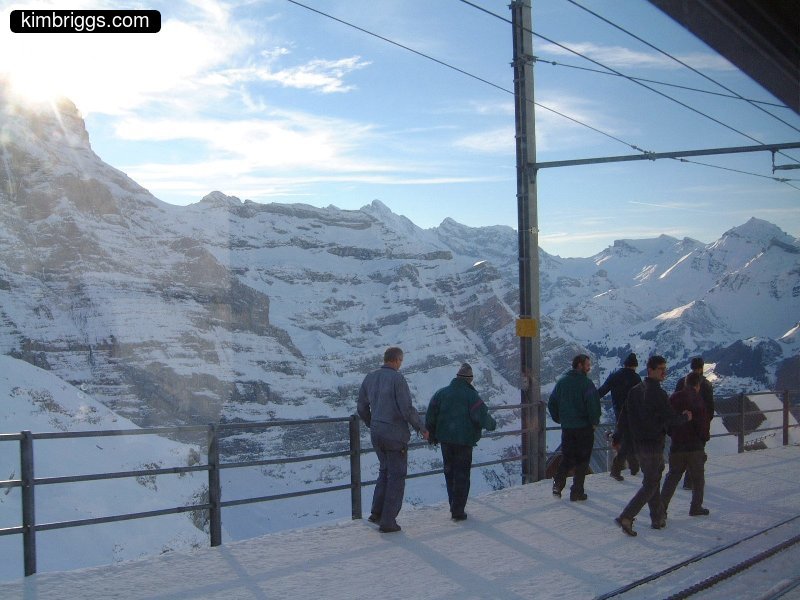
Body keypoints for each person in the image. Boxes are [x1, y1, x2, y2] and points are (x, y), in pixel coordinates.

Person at [615, 355, 692, 537]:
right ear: (650, 370)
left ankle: (658, 518)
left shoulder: (634, 391)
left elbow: (624, 417)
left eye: (665, 368)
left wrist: (618, 437)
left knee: (653, 478)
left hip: (638, 444)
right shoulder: (658, 393)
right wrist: (685, 417)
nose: (664, 372)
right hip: (653, 444)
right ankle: (627, 516)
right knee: (651, 483)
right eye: (660, 369)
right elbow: (670, 419)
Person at [357, 347, 428, 533]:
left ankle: (377, 513)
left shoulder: (370, 377)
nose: (400, 365)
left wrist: (371, 423)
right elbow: (407, 409)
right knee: (396, 476)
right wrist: (422, 428)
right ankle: (388, 521)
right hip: (394, 435)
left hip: (376, 433)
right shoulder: (398, 379)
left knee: (384, 470)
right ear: (396, 360)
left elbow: (361, 407)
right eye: (401, 361)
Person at [425, 363, 497, 521]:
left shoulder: (441, 393)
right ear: (469, 379)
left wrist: (432, 434)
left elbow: (430, 415)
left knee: (449, 473)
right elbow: (482, 417)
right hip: (464, 441)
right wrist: (492, 425)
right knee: (462, 475)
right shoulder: (472, 396)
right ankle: (458, 510)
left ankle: (453, 504)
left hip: (445, 440)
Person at [548, 354, 601, 501]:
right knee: (583, 460)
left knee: (567, 457)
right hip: (584, 428)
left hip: (567, 428)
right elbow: (593, 405)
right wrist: (594, 421)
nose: (589, 367)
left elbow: (552, 403)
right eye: (587, 365)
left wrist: (559, 418)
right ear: (579, 365)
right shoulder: (586, 384)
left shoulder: (561, 383)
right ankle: (577, 491)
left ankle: (558, 484)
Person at [660, 372, 711, 518]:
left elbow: (667, 420)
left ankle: (661, 509)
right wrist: (703, 440)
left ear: (685, 383)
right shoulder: (699, 400)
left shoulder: (674, 398)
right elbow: (703, 425)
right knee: (698, 479)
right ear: (697, 385)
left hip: (677, 445)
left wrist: (673, 434)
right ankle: (696, 507)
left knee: (672, 477)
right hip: (695, 446)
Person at [598, 353, 642, 480]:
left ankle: (632, 466)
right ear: (635, 366)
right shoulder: (636, 378)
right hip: (633, 414)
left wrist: (589, 399)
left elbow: (602, 391)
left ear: (624, 364)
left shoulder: (614, 376)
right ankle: (620, 468)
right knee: (628, 439)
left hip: (618, 413)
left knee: (626, 439)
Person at [674, 357, 714, 490]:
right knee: (697, 454)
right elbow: (710, 408)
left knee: (682, 453)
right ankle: (690, 482)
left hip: (683, 424)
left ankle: (674, 480)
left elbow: (674, 403)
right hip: (699, 425)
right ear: (702, 367)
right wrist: (706, 422)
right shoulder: (706, 384)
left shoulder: (681, 382)